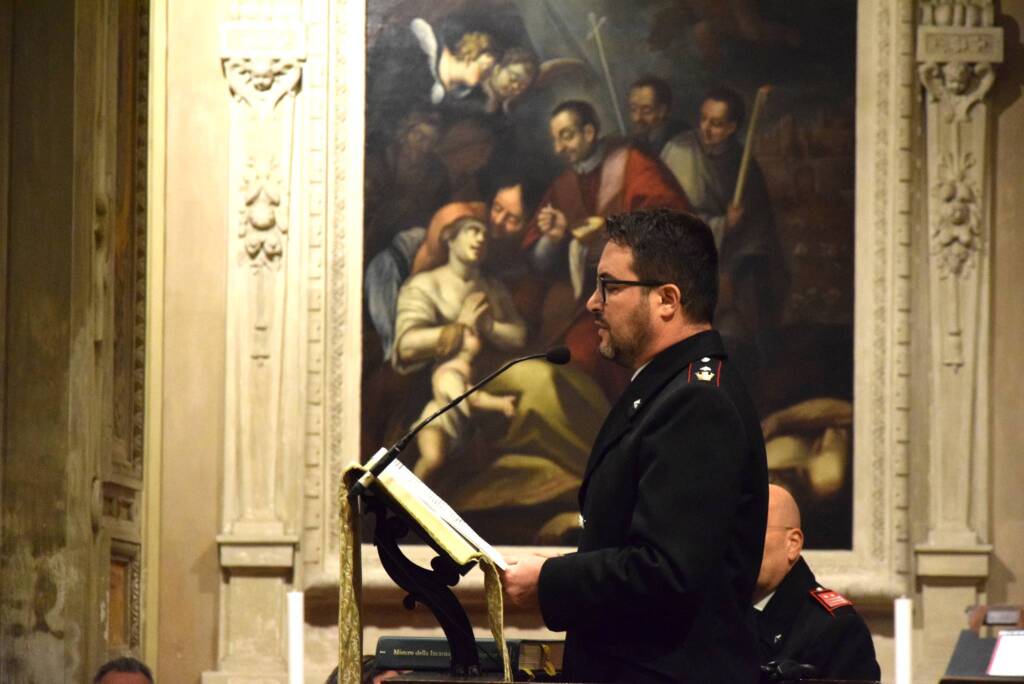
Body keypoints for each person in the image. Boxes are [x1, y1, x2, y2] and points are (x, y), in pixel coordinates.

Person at [502, 208, 769, 683]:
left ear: (667, 300)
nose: (592, 303)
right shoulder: (667, 389)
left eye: (610, 286)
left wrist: (551, 581)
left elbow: (665, 573)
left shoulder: (695, 402)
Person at [522, 100, 690, 396]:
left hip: (645, 290)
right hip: (589, 302)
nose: (559, 148)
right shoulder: (563, 185)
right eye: (555, 139)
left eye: (567, 136)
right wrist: (554, 240)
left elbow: (673, 224)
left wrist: (602, 235)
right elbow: (538, 259)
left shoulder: (631, 164)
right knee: (574, 360)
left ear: (589, 132)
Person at [660, 87, 788, 368]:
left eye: (716, 124)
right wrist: (720, 224)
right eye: (703, 119)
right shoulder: (679, 151)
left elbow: (759, 232)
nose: (706, 129)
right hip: (677, 257)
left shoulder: (745, 168)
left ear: (732, 128)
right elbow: (666, 215)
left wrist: (732, 258)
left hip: (726, 264)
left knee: (734, 334)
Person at [405, 216, 522, 481]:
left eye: (484, 233)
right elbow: (406, 346)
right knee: (434, 461)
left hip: (480, 386)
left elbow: (519, 336)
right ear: (449, 237)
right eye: (472, 230)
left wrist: (489, 325)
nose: (481, 238)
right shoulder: (424, 285)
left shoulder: (493, 288)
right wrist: (458, 328)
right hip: (444, 397)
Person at [754, 485, 880, 682]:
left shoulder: (838, 628)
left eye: (753, 530)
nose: (738, 543)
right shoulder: (715, 613)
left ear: (792, 544)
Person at [628, 75, 689, 158]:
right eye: (633, 109)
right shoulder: (640, 142)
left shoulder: (678, 143)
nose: (637, 118)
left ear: (662, 111)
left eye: (646, 111)